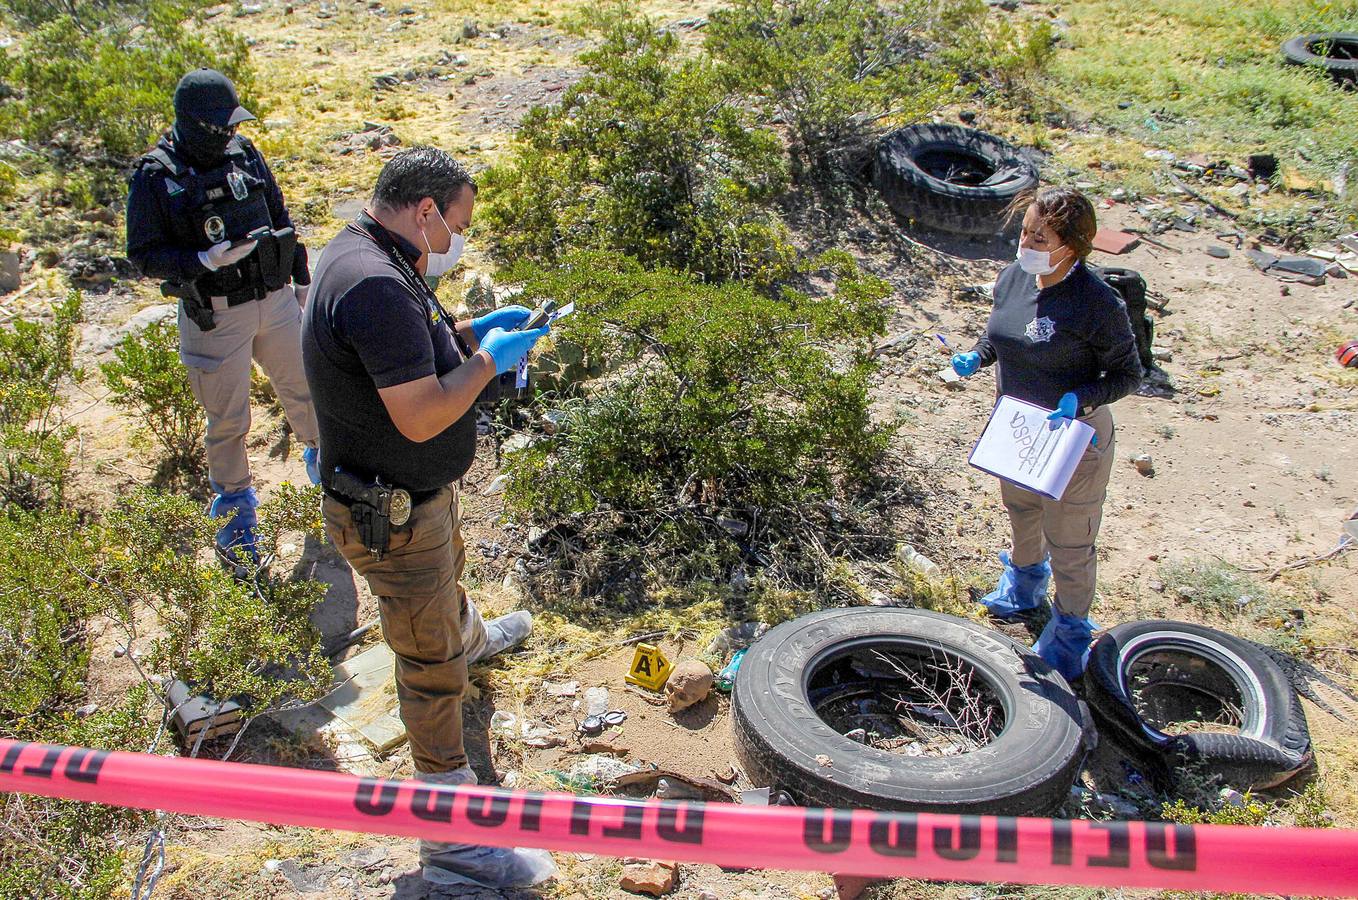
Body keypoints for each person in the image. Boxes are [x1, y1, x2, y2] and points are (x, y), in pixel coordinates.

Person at [301, 147, 553, 889]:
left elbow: (405, 352)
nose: (461, 237)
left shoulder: (362, 250)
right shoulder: (376, 284)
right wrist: (489, 364)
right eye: (460, 223)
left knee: (444, 591)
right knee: (427, 668)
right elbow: (416, 417)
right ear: (426, 212)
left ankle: (468, 640)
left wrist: (474, 333)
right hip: (390, 512)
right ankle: (453, 845)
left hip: (410, 504)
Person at [126, 68, 320, 568]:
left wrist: (299, 275)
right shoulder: (156, 176)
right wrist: (202, 261)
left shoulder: (244, 152)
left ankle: (331, 471)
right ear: (193, 125)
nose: (229, 135)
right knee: (228, 419)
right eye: (220, 128)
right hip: (215, 313)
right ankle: (236, 515)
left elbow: (278, 213)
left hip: (273, 300)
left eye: (233, 126)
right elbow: (143, 253)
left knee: (305, 389)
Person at [951, 186, 1142, 680]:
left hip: (1073, 438)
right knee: (1021, 508)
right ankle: (1024, 583)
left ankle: (1071, 630)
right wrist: (979, 356)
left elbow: (1127, 374)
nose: (1027, 242)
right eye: (1025, 230)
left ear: (1071, 247)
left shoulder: (1097, 303)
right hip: (1019, 427)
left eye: (1040, 235)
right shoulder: (1014, 277)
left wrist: (1082, 397)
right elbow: (999, 333)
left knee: (1070, 539)